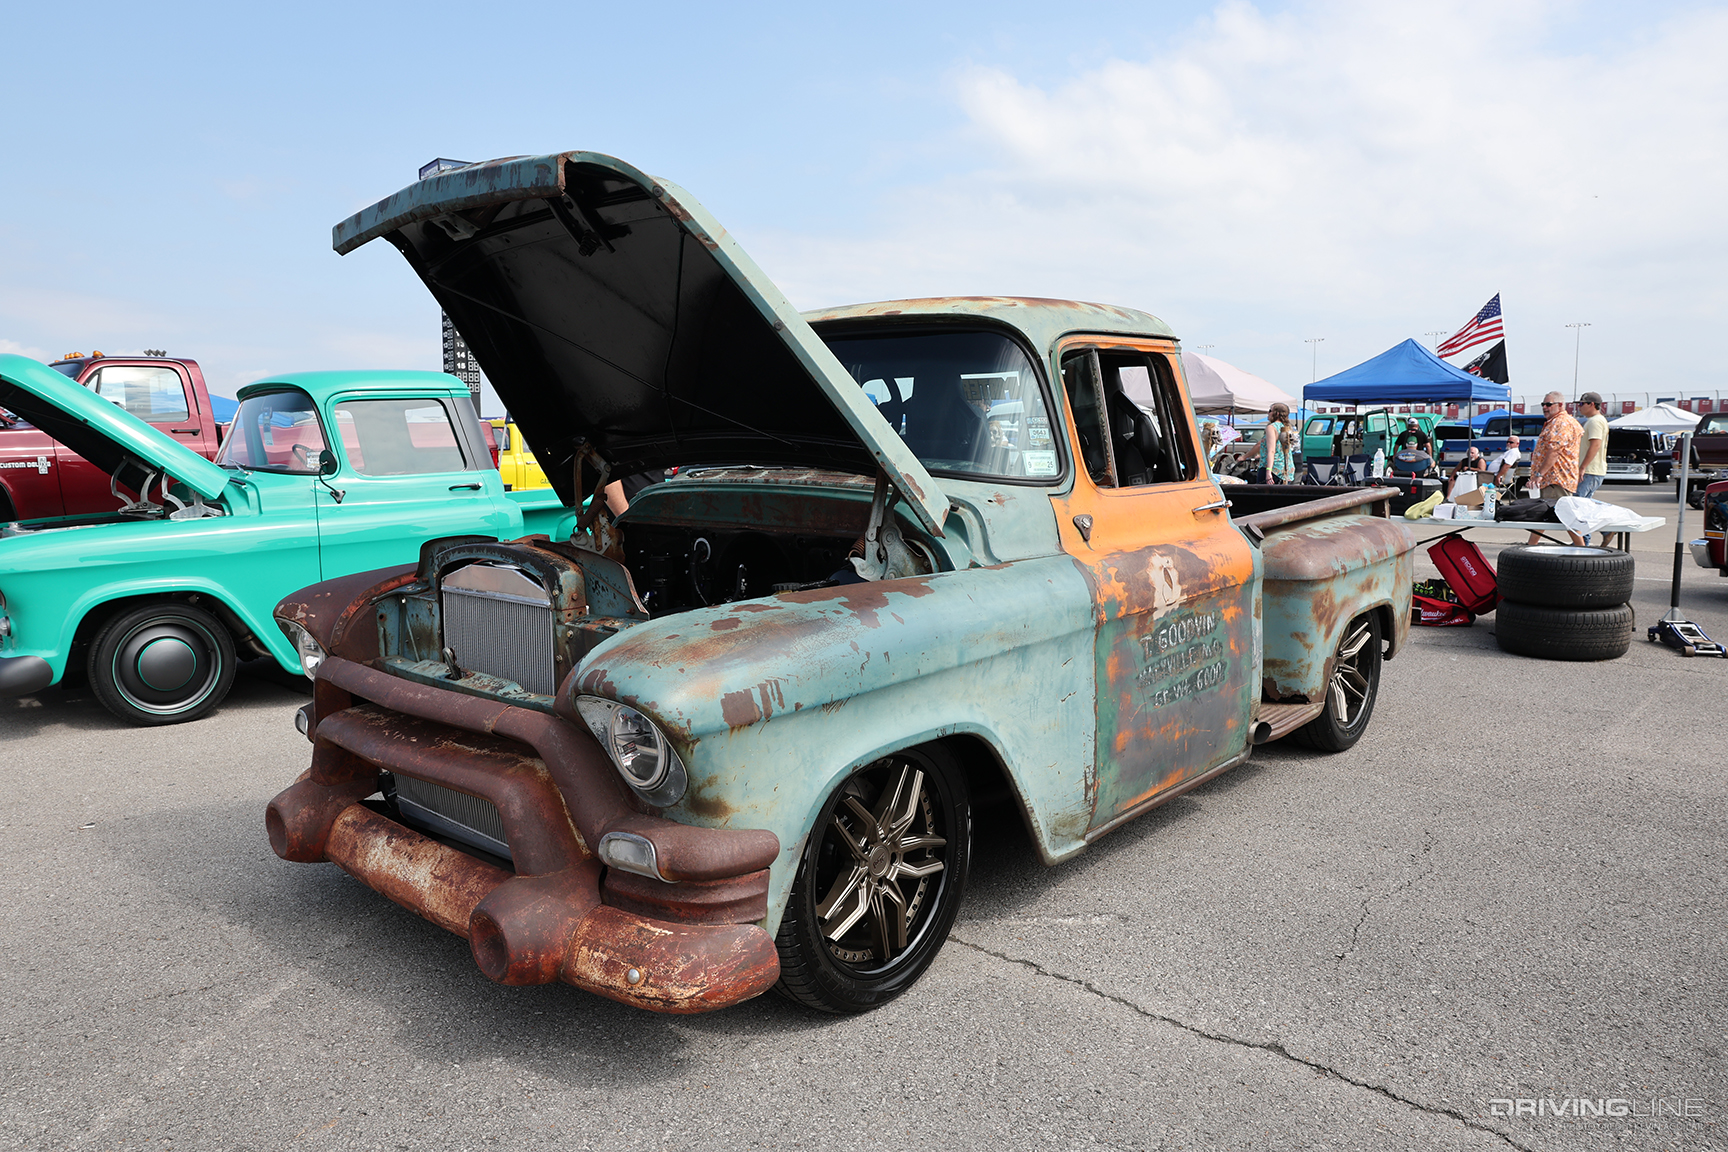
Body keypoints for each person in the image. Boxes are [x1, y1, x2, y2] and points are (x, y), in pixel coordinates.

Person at [1528, 391, 1582, 544]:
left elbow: (1554, 451)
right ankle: (1531, 546)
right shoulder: (1558, 421)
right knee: (1543, 514)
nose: (1545, 407)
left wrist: (1539, 474)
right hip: (1553, 479)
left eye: (1549, 404)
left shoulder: (1561, 423)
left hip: (1556, 479)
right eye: (1543, 404)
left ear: (1560, 405)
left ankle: (1582, 549)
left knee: (1566, 517)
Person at [1572, 391, 1609, 545]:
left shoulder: (1595, 422)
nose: (1579, 407)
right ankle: (1586, 539)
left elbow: (1595, 444)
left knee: (1578, 505)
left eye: (1581, 404)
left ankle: (1587, 538)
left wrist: (1583, 467)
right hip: (1593, 470)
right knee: (1585, 504)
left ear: (1591, 404)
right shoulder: (1596, 421)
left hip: (1591, 470)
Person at [1262, 403, 1296, 484]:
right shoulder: (1287, 427)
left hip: (1274, 468)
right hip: (1287, 468)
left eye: (1270, 411)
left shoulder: (1271, 427)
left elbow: (1272, 451)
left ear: (1277, 413)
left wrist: (1268, 471)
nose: (1268, 413)